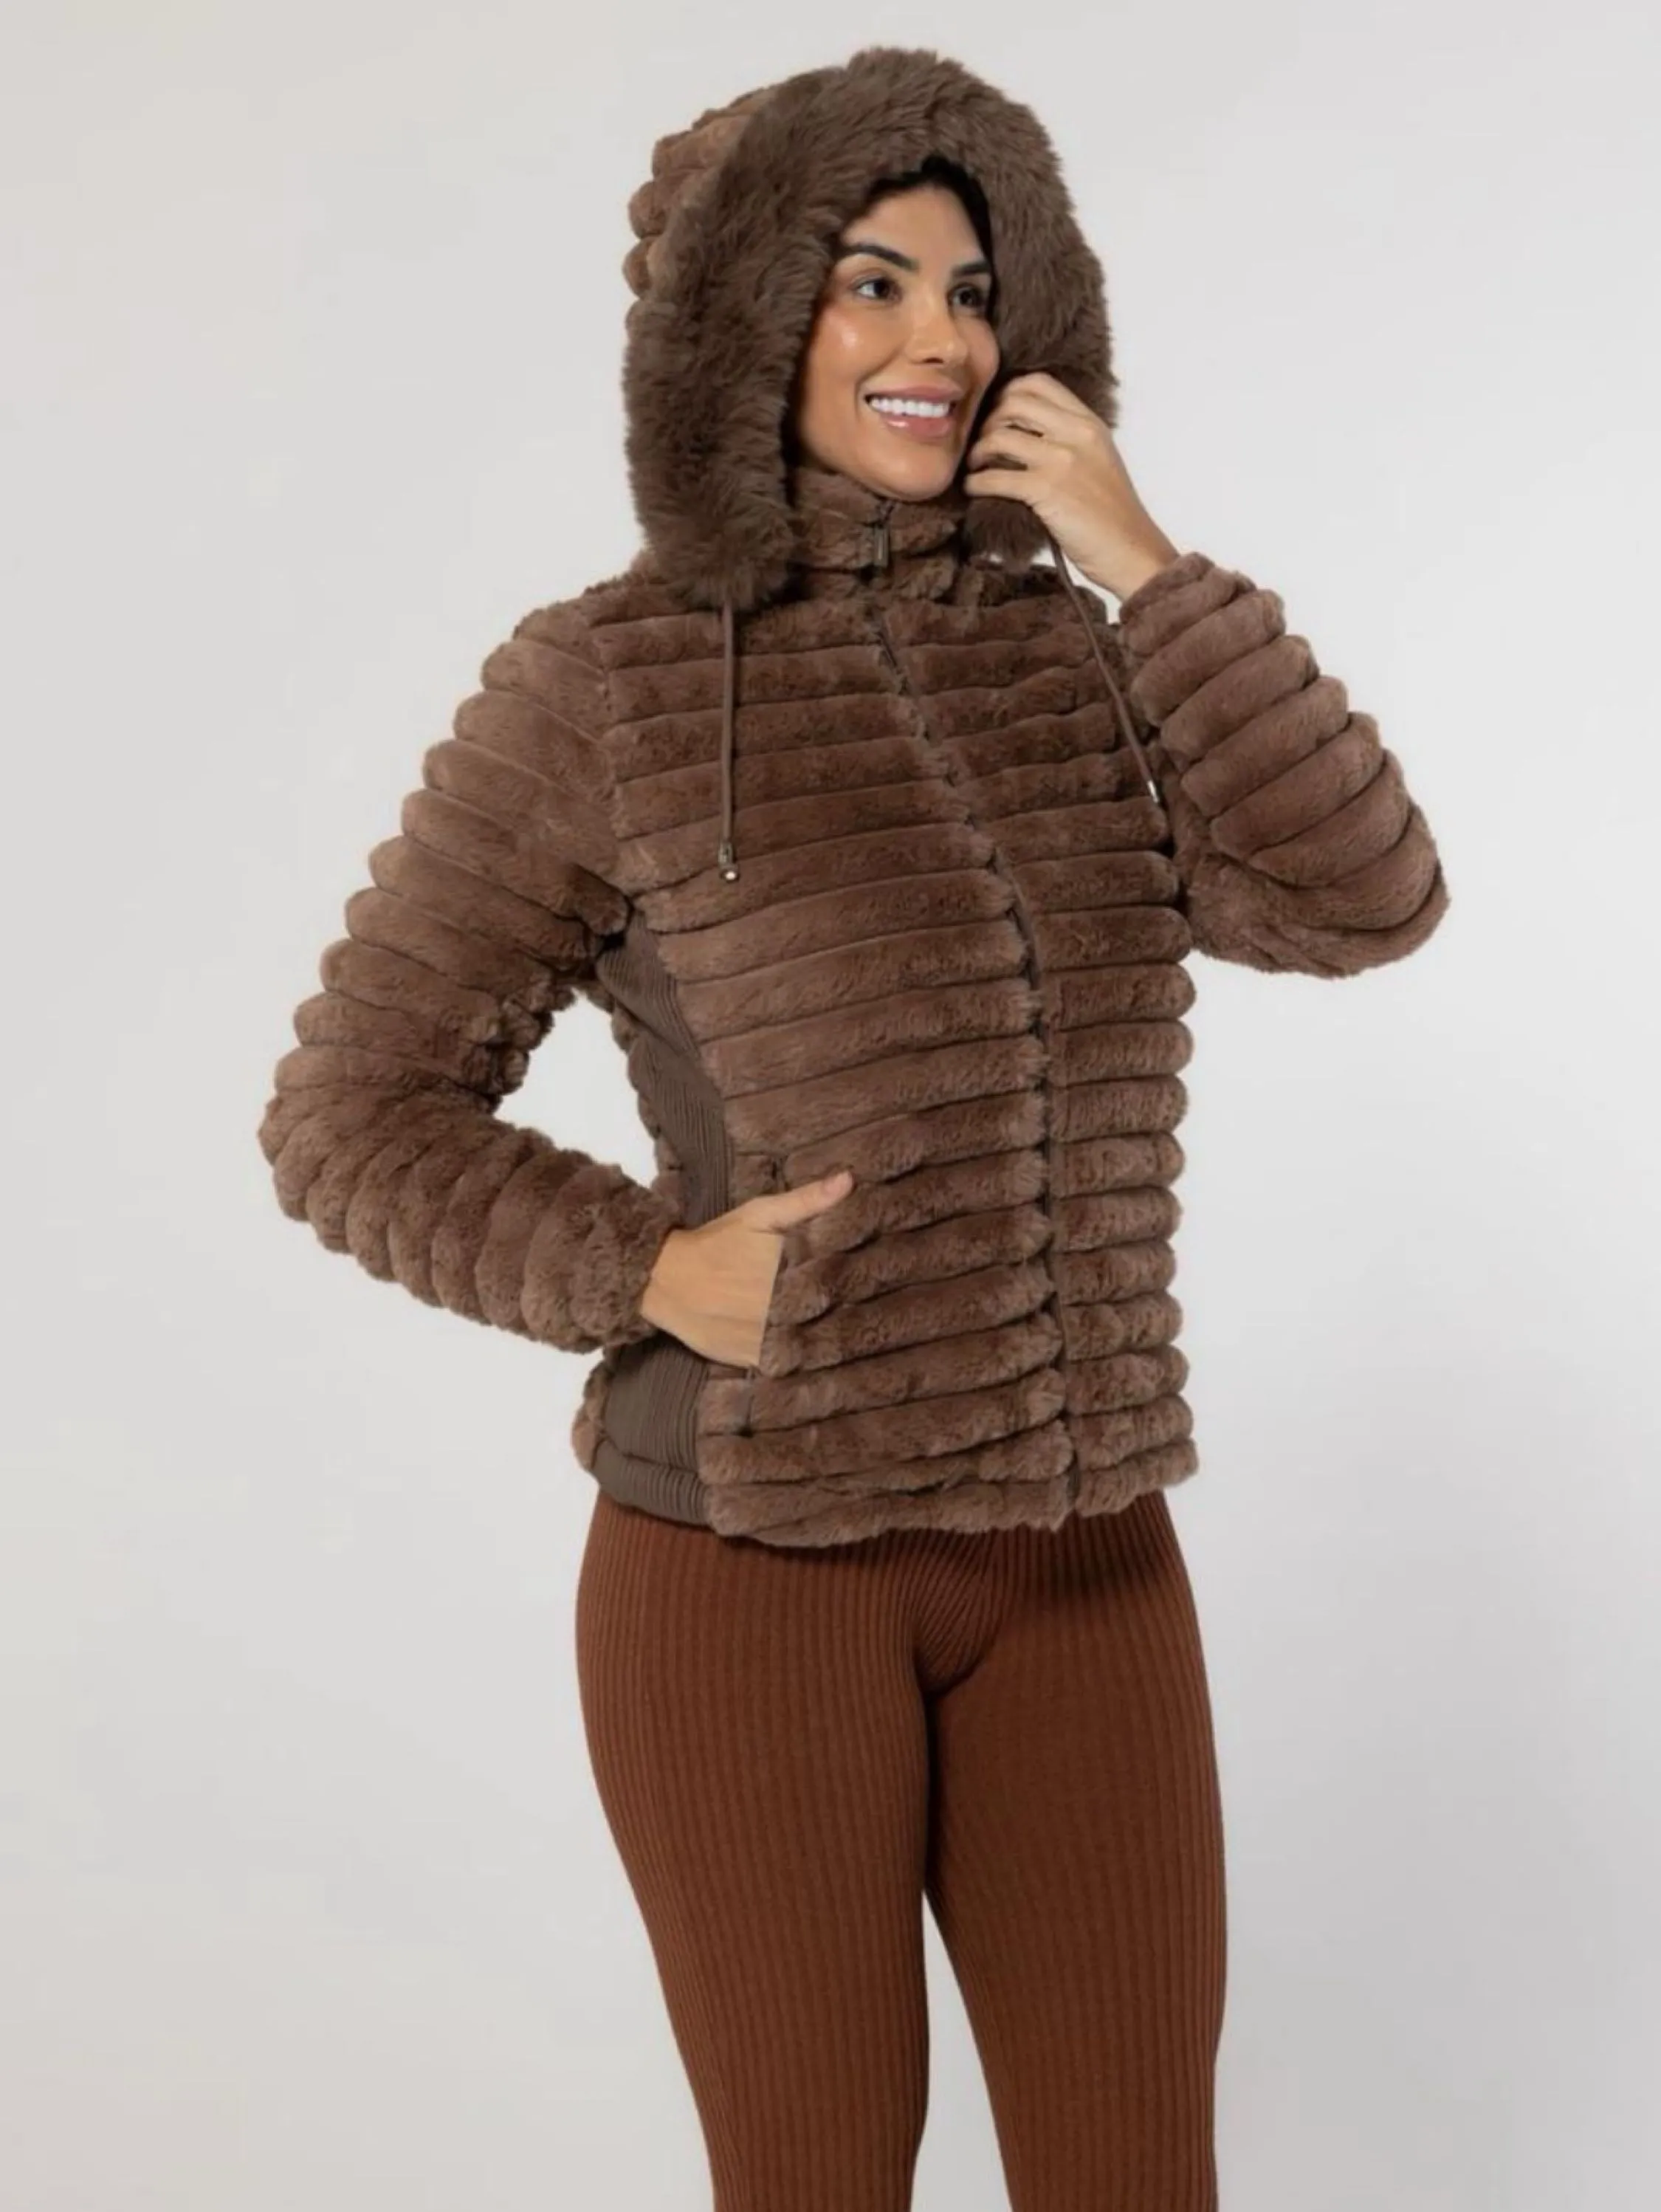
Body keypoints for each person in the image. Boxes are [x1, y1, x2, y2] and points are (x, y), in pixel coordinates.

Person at [257, 44, 1449, 2211]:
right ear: (745, 322)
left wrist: (1146, 564)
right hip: (752, 1575)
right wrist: (641, 1268)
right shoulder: (610, 686)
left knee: (1137, 2179)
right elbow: (352, 1109)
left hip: (1089, 1557)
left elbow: (1368, 899)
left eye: (973, 289)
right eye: (869, 281)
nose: (937, 339)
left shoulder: (1078, 657)